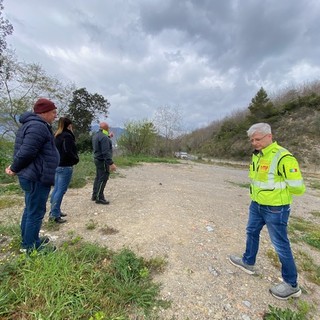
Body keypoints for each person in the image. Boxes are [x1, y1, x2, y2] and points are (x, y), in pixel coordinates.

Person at [229, 122, 306, 300]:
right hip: (257, 205)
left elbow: (298, 188)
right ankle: (248, 262)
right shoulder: (258, 156)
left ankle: (291, 285)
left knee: (280, 245)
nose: (254, 143)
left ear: (269, 136)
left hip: (275, 209)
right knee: (251, 231)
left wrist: (280, 191)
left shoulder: (283, 157)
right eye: (252, 140)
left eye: (257, 139)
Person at [5, 98, 59, 253]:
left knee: (30, 209)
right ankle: (30, 247)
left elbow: (27, 149)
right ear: (44, 112)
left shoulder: (33, 124)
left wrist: (16, 167)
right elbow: (27, 151)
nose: (55, 115)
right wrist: (15, 168)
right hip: (37, 176)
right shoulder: (37, 126)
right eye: (53, 112)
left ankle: (29, 240)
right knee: (35, 212)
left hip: (32, 174)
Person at [49, 117, 79, 223]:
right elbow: (68, 151)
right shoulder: (67, 136)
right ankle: (54, 215)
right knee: (61, 190)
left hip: (57, 165)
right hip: (65, 166)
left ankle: (54, 210)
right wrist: (75, 159)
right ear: (69, 125)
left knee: (56, 189)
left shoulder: (56, 135)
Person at [92, 122, 116, 204]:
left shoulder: (96, 135)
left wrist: (109, 136)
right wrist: (111, 163)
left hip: (97, 159)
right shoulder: (104, 138)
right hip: (102, 161)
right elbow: (105, 152)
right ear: (106, 128)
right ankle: (99, 197)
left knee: (98, 177)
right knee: (103, 178)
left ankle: (95, 195)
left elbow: (101, 141)